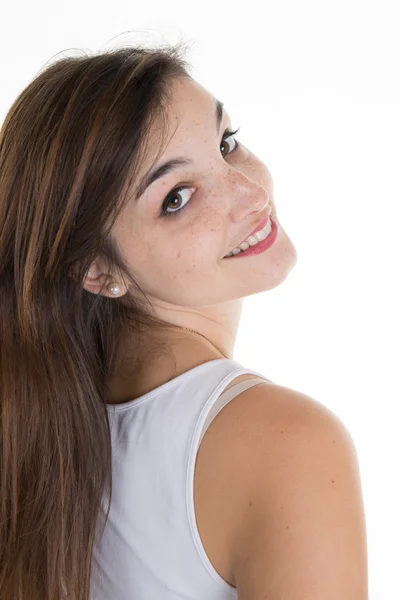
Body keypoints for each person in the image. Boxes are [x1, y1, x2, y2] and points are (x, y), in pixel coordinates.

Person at [0, 43, 368, 599]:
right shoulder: (287, 445)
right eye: (177, 197)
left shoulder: (39, 440)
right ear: (96, 270)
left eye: (226, 143)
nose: (249, 192)